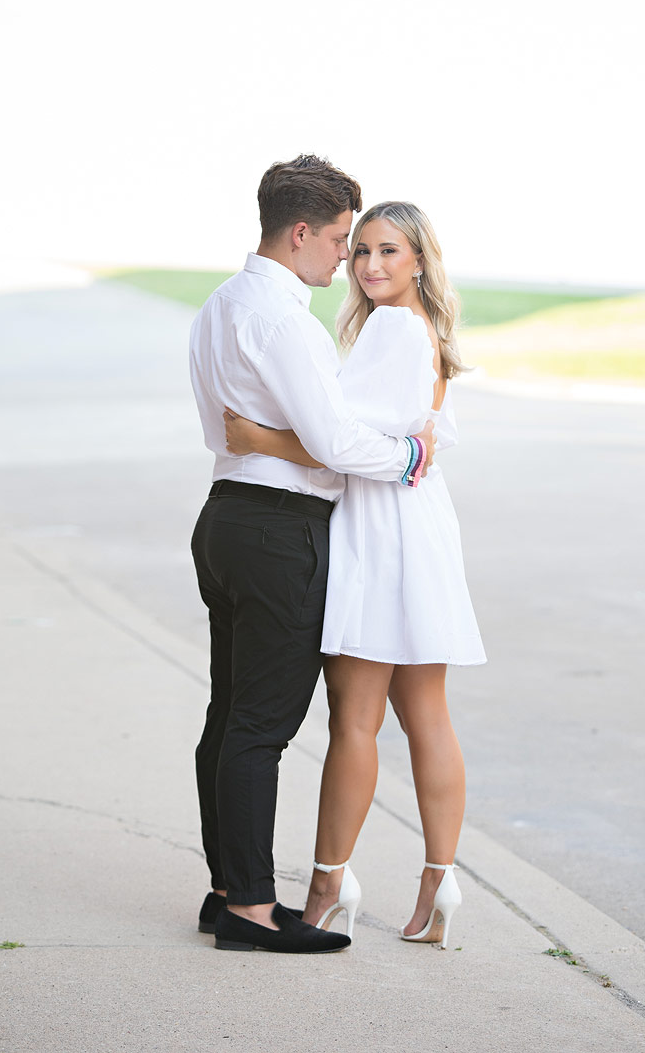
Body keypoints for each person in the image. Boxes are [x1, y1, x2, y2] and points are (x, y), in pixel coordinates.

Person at [223, 201, 486, 950]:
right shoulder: (423, 330)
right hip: (420, 520)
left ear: (419, 261)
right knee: (425, 713)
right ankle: (439, 880)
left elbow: (332, 437)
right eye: (360, 249)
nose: (369, 265)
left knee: (355, 717)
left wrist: (257, 438)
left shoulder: (394, 329)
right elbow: (399, 436)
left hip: (382, 527)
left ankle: (326, 884)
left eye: (387, 252)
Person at [189, 159, 436, 954]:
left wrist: (270, 441)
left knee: (228, 717)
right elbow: (332, 446)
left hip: (225, 517)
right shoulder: (285, 318)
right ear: (300, 233)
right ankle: (252, 911)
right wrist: (404, 457)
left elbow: (226, 429)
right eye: (337, 241)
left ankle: (227, 889)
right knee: (261, 727)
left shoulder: (219, 305)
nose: (345, 261)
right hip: (279, 532)